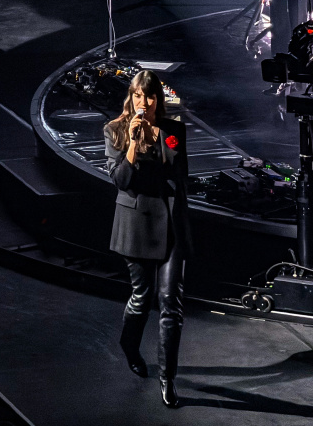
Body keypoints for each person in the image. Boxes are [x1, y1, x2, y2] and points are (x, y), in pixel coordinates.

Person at [103, 71, 192, 409]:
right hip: (137, 224)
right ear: (132, 98)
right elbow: (122, 181)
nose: (144, 102)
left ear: (158, 99)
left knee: (171, 303)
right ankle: (129, 345)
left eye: (150, 96)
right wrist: (132, 145)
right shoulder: (114, 131)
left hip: (170, 223)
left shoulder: (174, 131)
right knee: (142, 298)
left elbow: (179, 173)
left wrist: (158, 139)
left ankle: (167, 378)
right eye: (138, 96)